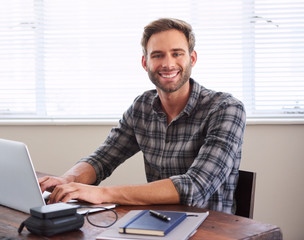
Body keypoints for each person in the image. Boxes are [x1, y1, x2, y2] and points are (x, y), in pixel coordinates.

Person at [39, 18, 246, 214]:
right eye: (157, 55)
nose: (168, 64)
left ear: (192, 58)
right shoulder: (142, 107)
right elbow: (102, 159)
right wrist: (67, 179)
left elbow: (195, 187)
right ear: (145, 63)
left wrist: (102, 194)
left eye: (177, 54)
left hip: (214, 228)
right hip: (156, 222)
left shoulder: (226, 109)